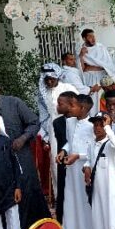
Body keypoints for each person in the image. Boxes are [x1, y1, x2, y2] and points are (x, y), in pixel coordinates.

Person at [0, 79, 49, 229]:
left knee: (28, 194)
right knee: (4, 202)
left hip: (21, 157)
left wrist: (23, 138)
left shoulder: (14, 103)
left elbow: (34, 122)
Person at [58, 94, 95, 229]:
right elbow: (70, 142)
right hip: (71, 170)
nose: (70, 108)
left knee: (84, 205)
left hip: (84, 169)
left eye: (73, 106)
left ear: (83, 108)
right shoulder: (69, 122)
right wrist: (63, 150)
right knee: (70, 203)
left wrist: (78, 156)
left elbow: (94, 149)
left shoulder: (92, 125)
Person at [37, 63, 78, 197]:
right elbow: (43, 115)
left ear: (58, 77)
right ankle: (60, 196)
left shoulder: (68, 88)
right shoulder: (43, 94)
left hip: (71, 125)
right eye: (47, 79)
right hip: (53, 128)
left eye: (52, 79)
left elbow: (79, 107)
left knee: (74, 158)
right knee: (56, 162)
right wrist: (45, 136)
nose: (49, 82)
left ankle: (76, 196)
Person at [52, 91, 77, 223]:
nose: (57, 106)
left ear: (70, 104)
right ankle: (61, 221)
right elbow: (62, 141)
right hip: (63, 162)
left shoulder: (81, 121)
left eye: (60, 104)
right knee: (62, 191)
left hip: (78, 162)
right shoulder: (57, 123)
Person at [78, 28, 115, 105]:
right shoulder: (80, 49)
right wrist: (81, 55)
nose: (93, 39)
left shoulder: (101, 47)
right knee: (91, 100)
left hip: (101, 77)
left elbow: (108, 64)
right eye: (90, 37)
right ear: (84, 38)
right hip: (89, 78)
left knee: (101, 100)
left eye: (93, 36)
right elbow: (81, 68)